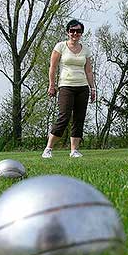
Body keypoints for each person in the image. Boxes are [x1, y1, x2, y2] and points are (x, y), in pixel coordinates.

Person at [42, 19, 95, 158]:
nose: (75, 33)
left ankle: (74, 150)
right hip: (66, 86)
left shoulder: (86, 49)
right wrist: (51, 85)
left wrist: (93, 88)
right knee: (64, 117)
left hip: (82, 87)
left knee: (79, 118)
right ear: (68, 32)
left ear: (81, 33)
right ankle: (48, 149)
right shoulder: (60, 46)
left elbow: (89, 71)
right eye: (72, 31)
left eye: (78, 31)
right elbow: (52, 67)